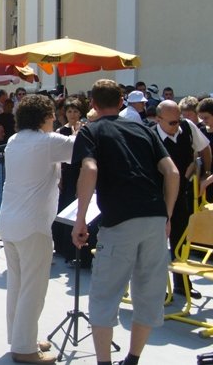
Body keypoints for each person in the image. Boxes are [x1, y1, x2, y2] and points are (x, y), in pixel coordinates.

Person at [71, 79, 180, 365]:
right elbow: (172, 173)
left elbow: (90, 169)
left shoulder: (91, 130)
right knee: (148, 294)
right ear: (121, 103)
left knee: (105, 296)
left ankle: (104, 363)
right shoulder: (144, 129)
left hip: (120, 220)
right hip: (155, 216)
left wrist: (80, 220)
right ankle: (132, 360)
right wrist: (167, 216)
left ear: (93, 104)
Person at [0, 94, 76, 365]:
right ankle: (24, 347)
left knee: (18, 284)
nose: (55, 118)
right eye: (52, 114)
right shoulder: (48, 141)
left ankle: (21, 337)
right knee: (33, 288)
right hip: (33, 225)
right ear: (43, 117)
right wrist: (80, 126)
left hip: (10, 220)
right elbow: (80, 148)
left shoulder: (14, 140)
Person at [153, 100, 211, 299]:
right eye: (172, 123)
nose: (177, 125)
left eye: (178, 120)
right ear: (159, 119)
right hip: (158, 195)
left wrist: (206, 173)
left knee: (180, 239)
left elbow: (204, 148)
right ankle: (157, 288)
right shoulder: (150, 136)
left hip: (181, 192)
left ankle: (182, 284)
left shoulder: (187, 127)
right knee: (157, 242)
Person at [57, 98, 85, 212]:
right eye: (69, 111)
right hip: (67, 170)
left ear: (80, 113)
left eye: (75, 111)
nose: (72, 114)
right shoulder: (60, 131)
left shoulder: (85, 130)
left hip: (81, 168)